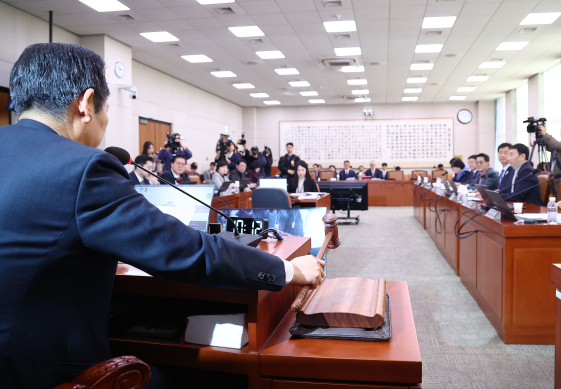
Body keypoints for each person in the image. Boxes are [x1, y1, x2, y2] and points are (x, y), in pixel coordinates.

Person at [0, 42, 324, 389]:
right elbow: (184, 251)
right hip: (38, 372)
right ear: (85, 103)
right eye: (106, 110)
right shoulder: (84, 168)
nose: (106, 124)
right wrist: (287, 268)